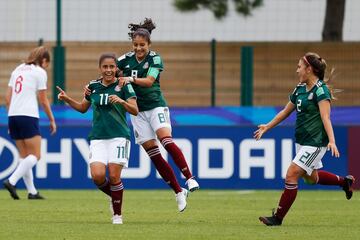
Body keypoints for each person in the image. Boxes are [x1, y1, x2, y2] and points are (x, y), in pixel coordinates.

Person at [254, 52, 355, 226]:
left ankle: (277, 218)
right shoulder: (299, 89)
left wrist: (332, 140)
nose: (297, 70)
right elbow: (285, 112)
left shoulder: (321, 91)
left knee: (291, 174)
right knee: (311, 177)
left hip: (315, 143)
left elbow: (326, 118)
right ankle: (344, 182)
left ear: (309, 69)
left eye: (300, 67)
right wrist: (267, 126)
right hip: (302, 142)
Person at [118, 18, 200, 212]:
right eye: (136, 45)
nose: (139, 49)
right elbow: (111, 74)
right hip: (137, 111)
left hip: (156, 106)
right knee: (154, 155)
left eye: (142, 45)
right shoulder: (123, 60)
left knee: (166, 140)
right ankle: (179, 192)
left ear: (149, 44)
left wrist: (129, 78)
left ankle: (189, 178)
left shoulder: (155, 58)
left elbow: (149, 81)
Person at [57, 53, 138, 224]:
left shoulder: (124, 85)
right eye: (105, 67)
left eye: (111, 67)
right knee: (97, 176)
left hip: (119, 136)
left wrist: (121, 101)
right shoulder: (93, 86)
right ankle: (115, 196)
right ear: (100, 69)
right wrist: (66, 99)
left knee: (115, 177)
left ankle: (117, 215)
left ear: (116, 68)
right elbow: (82, 108)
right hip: (98, 137)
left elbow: (135, 110)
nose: (108, 70)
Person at [3, 46, 56, 200]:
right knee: (36, 155)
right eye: (48, 63)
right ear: (44, 60)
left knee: (24, 156)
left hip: (13, 116)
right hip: (28, 115)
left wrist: (11, 117)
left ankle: (32, 192)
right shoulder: (39, 72)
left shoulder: (17, 70)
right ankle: (12, 181)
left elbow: (8, 98)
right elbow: (43, 100)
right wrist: (52, 119)